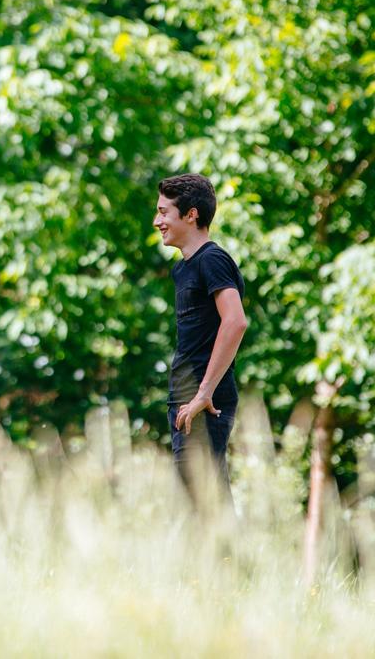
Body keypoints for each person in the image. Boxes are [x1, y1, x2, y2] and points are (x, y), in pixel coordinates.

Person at [152, 173, 248, 503]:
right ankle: (230, 558)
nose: (157, 221)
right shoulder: (183, 268)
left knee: (199, 499)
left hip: (204, 397)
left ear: (191, 214)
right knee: (207, 498)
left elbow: (235, 322)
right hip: (187, 393)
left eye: (164, 212)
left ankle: (222, 557)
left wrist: (203, 393)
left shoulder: (212, 259)